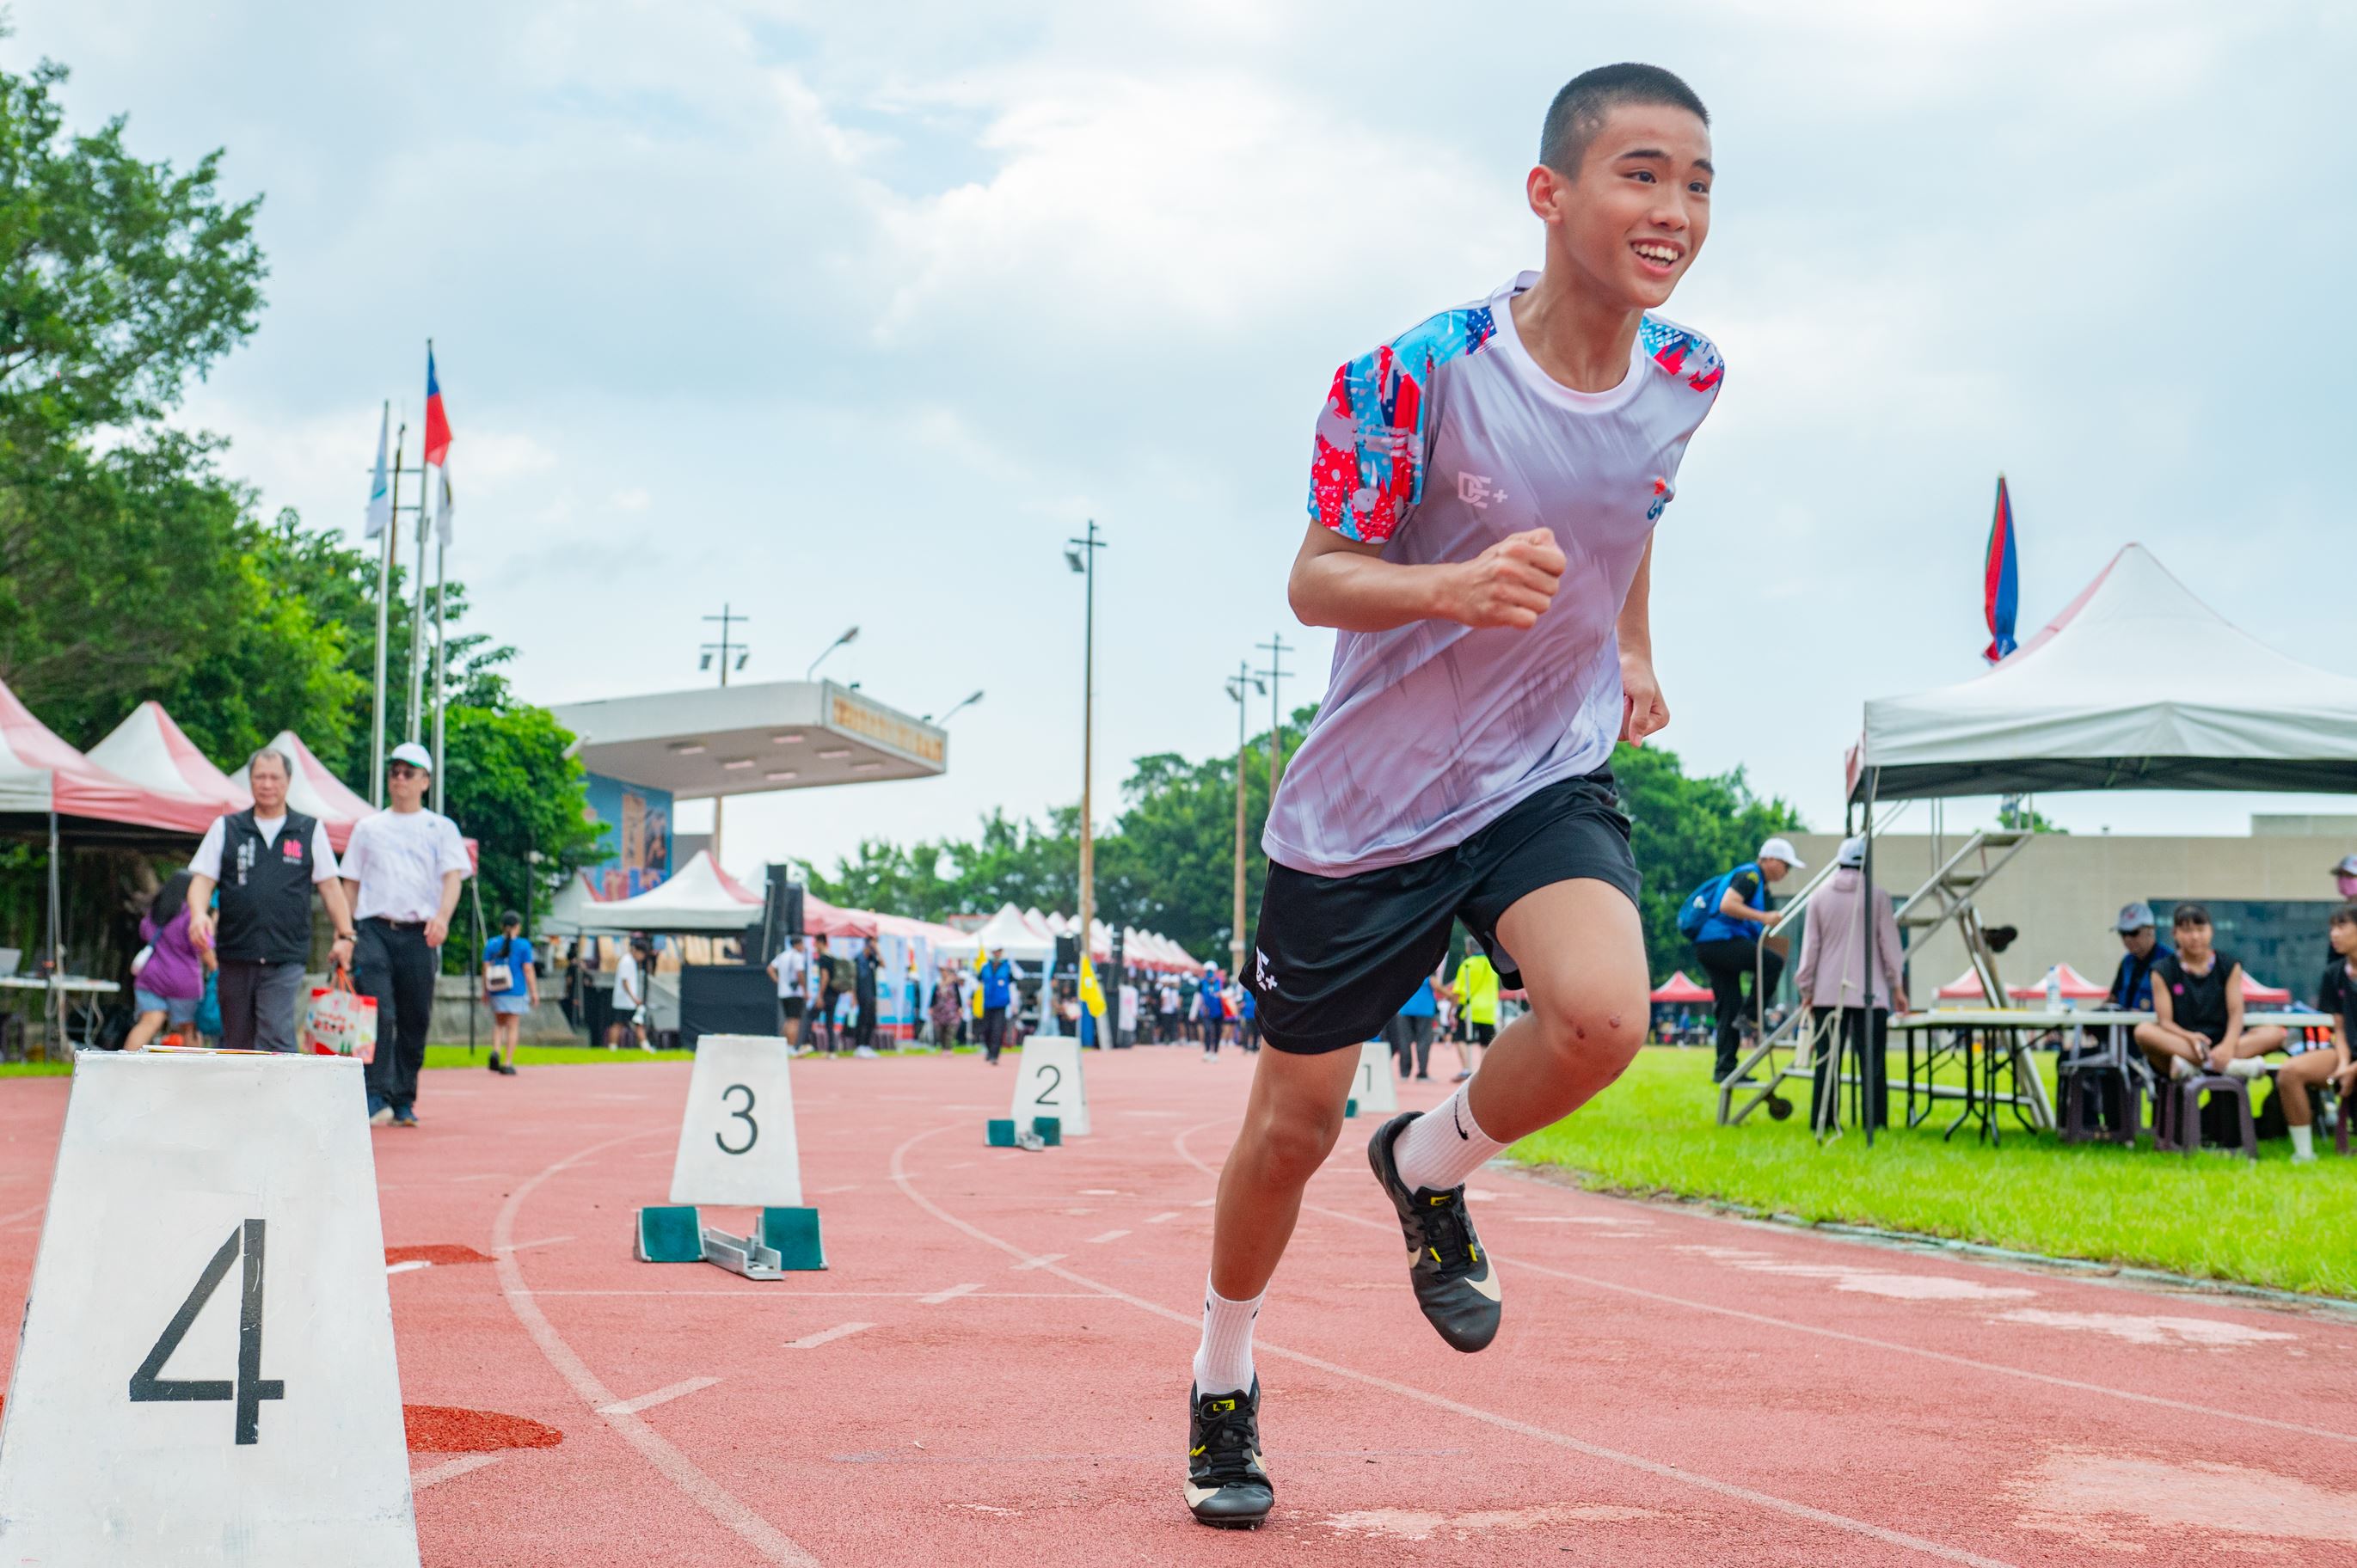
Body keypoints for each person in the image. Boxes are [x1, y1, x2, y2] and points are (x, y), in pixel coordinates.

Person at [1188, 65, 1722, 1528]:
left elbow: (1633, 511)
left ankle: (1427, 1162)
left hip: (1543, 772)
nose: (1672, 210)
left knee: (1606, 1016)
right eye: (1639, 173)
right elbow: (1316, 579)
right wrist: (1453, 587)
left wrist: (1629, 646)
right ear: (1550, 193)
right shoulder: (1413, 373)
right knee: (1288, 1127)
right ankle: (1224, 1371)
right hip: (1369, 807)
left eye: (1695, 184)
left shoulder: (1689, 377)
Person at [185, 746, 356, 1053]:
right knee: (237, 1041)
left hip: (285, 954)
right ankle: (242, 1086)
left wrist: (345, 935)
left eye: (274, 778)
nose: (267, 784)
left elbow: (331, 887)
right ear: (250, 781)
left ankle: (286, 1086)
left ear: (288, 781)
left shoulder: (308, 829)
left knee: (275, 1032)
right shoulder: (227, 827)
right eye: (260, 777)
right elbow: (202, 880)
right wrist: (198, 914)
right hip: (235, 952)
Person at [342, 742, 471, 1124]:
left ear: (425, 781)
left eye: (408, 773)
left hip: (420, 933)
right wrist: (344, 934)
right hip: (374, 930)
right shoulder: (368, 828)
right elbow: (350, 883)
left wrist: (442, 918)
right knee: (378, 1012)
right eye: (394, 771)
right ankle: (375, 1093)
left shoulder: (441, 828)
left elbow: (453, 879)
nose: (400, 779)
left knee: (415, 1017)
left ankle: (403, 1097)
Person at [1791, 836, 1907, 1129]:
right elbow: (1889, 946)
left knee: (1827, 1061)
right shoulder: (1878, 896)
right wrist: (1897, 986)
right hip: (1872, 992)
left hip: (1828, 992)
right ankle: (1875, 1122)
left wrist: (1807, 988)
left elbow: (1811, 947)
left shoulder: (1818, 896)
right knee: (1873, 1062)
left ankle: (1824, 1120)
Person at [1689, 836, 1804, 1084]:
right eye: (1786, 865)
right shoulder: (1750, 876)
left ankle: (1725, 1069)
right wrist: (1764, 917)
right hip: (1719, 942)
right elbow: (1728, 905)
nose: (1786, 872)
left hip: (1709, 946)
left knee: (1729, 1006)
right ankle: (1751, 1015)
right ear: (1770, 859)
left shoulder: (1758, 883)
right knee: (1772, 962)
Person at [2136, 902, 2286, 1087]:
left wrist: (2227, 1046)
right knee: (2144, 1031)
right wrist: (2190, 1037)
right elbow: (2165, 1021)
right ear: (2175, 933)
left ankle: (2198, 1065)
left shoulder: (2229, 966)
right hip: (2185, 1043)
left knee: (2274, 1033)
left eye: (2200, 929)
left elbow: (2236, 1013)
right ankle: (2229, 1066)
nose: (2195, 936)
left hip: (2224, 1041)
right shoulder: (2162, 970)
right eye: (2187, 931)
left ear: (2211, 931)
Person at [126, 870, 206, 1050]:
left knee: (149, 1022)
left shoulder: (154, 913)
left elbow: (144, 933)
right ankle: (195, 1067)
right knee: (189, 1028)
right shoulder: (190, 915)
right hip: (183, 980)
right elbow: (203, 945)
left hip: (151, 977)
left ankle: (125, 1062)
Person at [481, 910, 537, 1076]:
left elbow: (485, 968)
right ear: (517, 926)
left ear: (502, 925)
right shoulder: (523, 945)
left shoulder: (492, 943)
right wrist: (534, 992)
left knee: (499, 1024)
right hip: (516, 990)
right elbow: (528, 969)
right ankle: (507, 1062)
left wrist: (485, 990)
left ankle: (496, 1050)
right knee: (512, 1026)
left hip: (496, 989)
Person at [2103, 901, 2173, 1010]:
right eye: (2123, 933)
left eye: (2133, 932)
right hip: (2126, 1020)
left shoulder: (2169, 961)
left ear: (2150, 930)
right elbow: (2114, 997)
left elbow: (2180, 999)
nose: (2127, 939)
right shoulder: (2126, 962)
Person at [1452, 938, 1500, 1083]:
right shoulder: (1492, 965)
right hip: (1488, 1009)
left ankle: (1467, 1068)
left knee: (1460, 1038)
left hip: (1469, 1009)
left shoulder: (1467, 964)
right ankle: (1483, 1071)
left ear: (1469, 949)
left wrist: (1452, 1009)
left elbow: (1458, 990)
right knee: (1486, 1042)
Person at [1387, 973, 1438, 1081]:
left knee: (1404, 1041)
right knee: (1423, 1041)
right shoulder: (1429, 967)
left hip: (1405, 1008)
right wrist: (1449, 995)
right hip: (1424, 1008)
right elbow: (1435, 984)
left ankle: (1404, 1073)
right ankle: (1422, 1073)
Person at [977, 945, 1017, 1064]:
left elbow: (1013, 985)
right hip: (987, 1003)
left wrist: (1014, 1003)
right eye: (995, 952)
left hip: (1001, 1004)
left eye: (999, 951)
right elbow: (977, 982)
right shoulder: (985, 967)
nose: (997, 954)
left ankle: (994, 1055)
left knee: (997, 1030)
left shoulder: (1008, 967)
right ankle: (989, 1051)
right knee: (986, 1029)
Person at [768, 936, 807, 1043]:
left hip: (783, 993)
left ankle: (783, 1045)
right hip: (794, 993)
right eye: (802, 944)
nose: (803, 947)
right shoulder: (797, 956)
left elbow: (770, 969)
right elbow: (799, 974)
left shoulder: (782, 955)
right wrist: (804, 990)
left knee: (789, 1020)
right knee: (794, 1021)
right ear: (797, 944)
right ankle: (790, 1046)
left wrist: (779, 981)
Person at [854, 935, 881, 1052]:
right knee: (862, 1019)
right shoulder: (858, 959)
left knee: (872, 1020)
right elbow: (854, 979)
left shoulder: (872, 959)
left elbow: (883, 965)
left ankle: (867, 1045)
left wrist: (877, 951)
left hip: (871, 994)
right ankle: (859, 1045)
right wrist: (853, 997)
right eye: (872, 944)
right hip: (861, 994)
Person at [1198, 963, 1225, 1058]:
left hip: (1218, 1011)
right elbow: (1198, 997)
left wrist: (1221, 995)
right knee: (1208, 1031)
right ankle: (1207, 1051)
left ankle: (1215, 1052)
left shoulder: (1220, 982)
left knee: (1218, 1032)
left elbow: (1227, 995)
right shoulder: (1202, 983)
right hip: (1206, 1011)